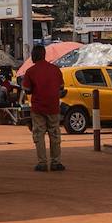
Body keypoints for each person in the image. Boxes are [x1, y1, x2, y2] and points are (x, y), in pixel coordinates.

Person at [22, 44, 65, 172]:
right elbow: (61, 88)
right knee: (55, 134)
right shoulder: (55, 70)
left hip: (38, 107)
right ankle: (56, 162)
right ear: (44, 55)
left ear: (34, 56)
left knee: (39, 134)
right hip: (53, 107)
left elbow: (27, 90)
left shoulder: (30, 71)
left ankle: (42, 163)